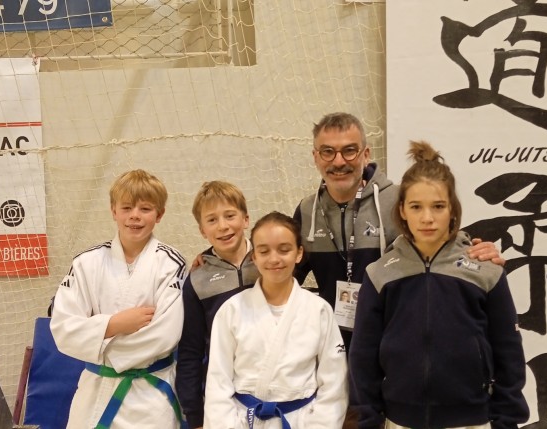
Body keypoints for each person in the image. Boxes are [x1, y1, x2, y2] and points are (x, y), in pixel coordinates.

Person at [348, 141, 529, 429]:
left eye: (438, 206)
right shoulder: (379, 274)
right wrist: (370, 420)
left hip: (472, 420)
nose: (427, 218)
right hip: (400, 420)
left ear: (453, 210)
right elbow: (363, 356)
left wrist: (506, 421)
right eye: (416, 207)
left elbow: (509, 351)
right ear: (402, 210)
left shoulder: (486, 271)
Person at [293, 112, 504, 348]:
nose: (339, 161)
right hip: (331, 346)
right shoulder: (307, 210)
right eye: (328, 152)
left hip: (394, 342)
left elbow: (443, 244)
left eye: (349, 150)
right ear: (315, 157)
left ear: (366, 154)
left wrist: (475, 253)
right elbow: (286, 274)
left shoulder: (398, 201)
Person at [50, 169, 187, 429]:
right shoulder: (86, 263)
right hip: (95, 393)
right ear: (114, 210)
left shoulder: (171, 263)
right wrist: (114, 324)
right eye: (126, 207)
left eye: (145, 209)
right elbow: (63, 329)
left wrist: (98, 340)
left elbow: (165, 334)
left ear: (159, 214)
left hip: (150, 397)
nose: (135, 215)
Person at [204, 211, 348, 429]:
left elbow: (334, 382)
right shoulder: (232, 310)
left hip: (301, 420)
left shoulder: (319, 310)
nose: (274, 259)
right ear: (254, 257)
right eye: (264, 251)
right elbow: (218, 382)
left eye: (284, 249)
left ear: (299, 253)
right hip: (244, 420)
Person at [176, 181, 258, 429]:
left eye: (230, 216)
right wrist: (195, 416)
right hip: (223, 396)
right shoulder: (197, 280)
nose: (222, 226)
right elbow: (190, 350)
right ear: (202, 230)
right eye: (212, 220)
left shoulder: (269, 261)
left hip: (274, 387)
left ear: (245, 219)